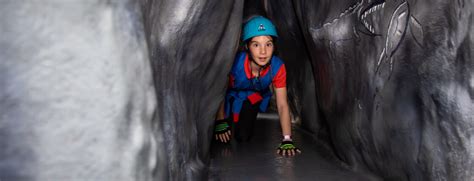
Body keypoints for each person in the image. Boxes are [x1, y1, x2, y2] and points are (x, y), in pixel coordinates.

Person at [214, 16, 301, 157]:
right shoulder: (234, 63)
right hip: (227, 98)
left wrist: (287, 139)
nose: (263, 52)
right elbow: (218, 90)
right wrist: (220, 120)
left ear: (274, 46)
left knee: (243, 137)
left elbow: (282, 104)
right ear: (247, 46)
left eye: (268, 44)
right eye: (256, 45)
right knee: (220, 137)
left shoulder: (277, 67)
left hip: (252, 98)